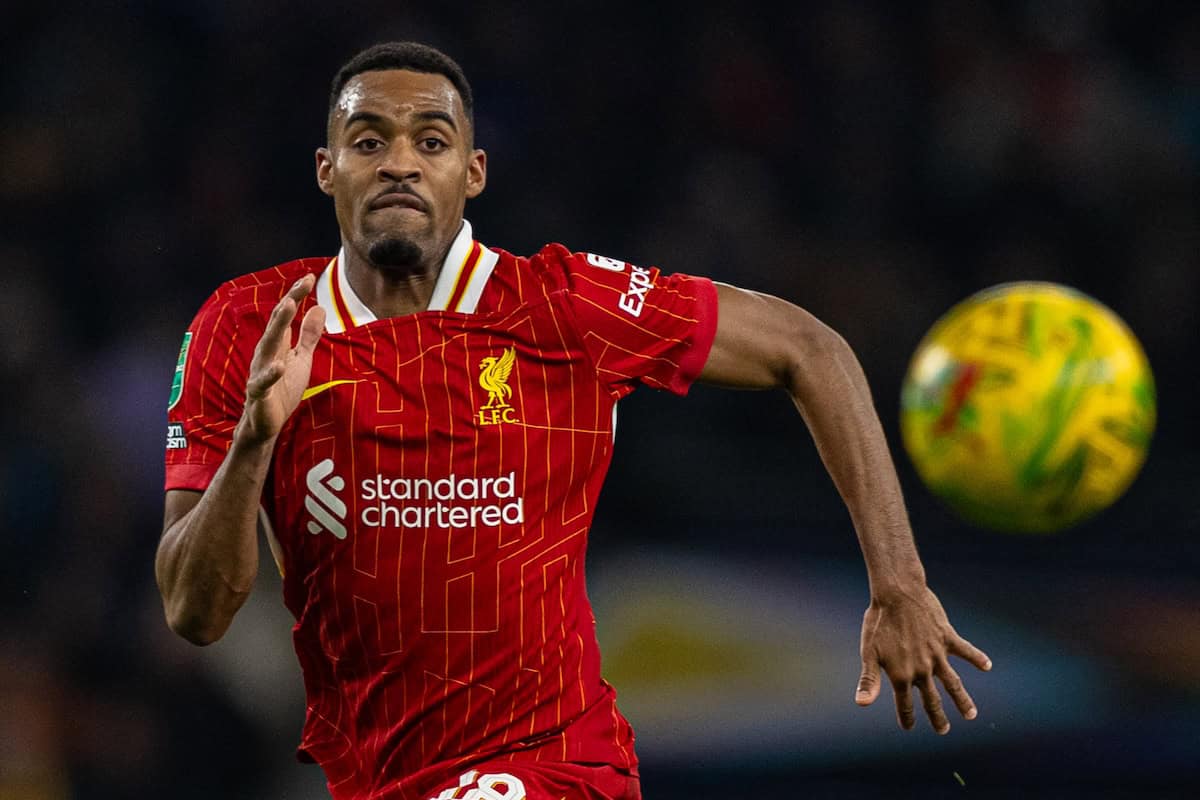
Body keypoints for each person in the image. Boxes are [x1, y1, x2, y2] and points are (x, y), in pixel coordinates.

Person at [156, 40, 991, 800]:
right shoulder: (252, 324)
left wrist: (899, 583)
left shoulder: (561, 308)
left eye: (432, 142)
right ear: (327, 169)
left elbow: (812, 349)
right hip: (374, 778)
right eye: (368, 140)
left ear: (473, 172)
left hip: (556, 765)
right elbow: (194, 612)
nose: (400, 163)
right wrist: (253, 446)